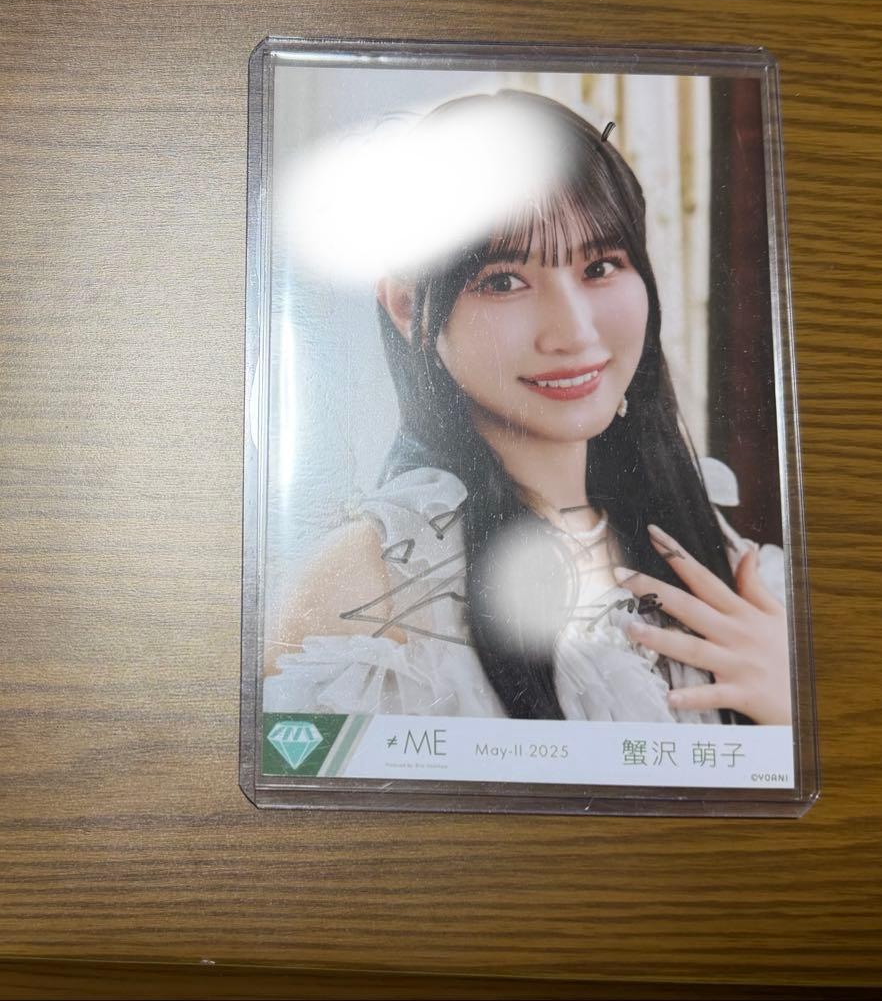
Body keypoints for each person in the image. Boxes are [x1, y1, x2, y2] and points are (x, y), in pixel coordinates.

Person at [264, 90, 791, 725]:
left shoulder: (720, 558)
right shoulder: (364, 585)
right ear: (407, 309)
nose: (574, 333)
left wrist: (786, 708)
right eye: (503, 281)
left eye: (601, 266)